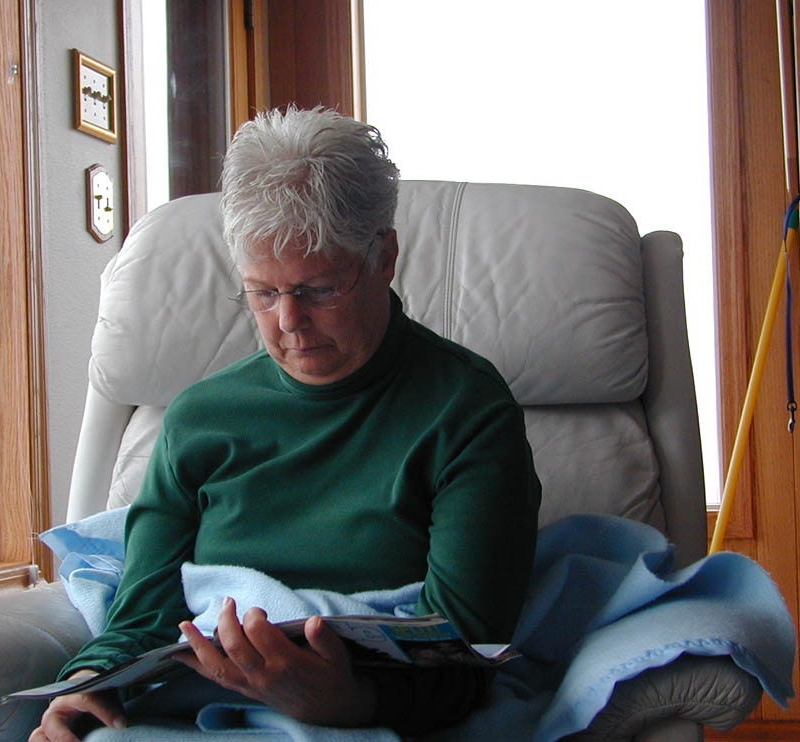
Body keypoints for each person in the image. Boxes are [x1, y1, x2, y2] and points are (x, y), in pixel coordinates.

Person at [30, 106, 541, 742]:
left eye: (320, 288)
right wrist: (86, 688)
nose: (289, 323)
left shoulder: (465, 410)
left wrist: (342, 700)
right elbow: (140, 617)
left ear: (384, 256)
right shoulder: (199, 418)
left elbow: (470, 652)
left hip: (380, 712)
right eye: (262, 294)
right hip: (201, 707)